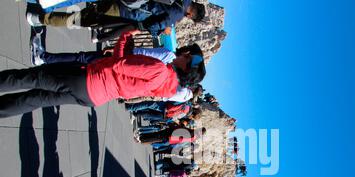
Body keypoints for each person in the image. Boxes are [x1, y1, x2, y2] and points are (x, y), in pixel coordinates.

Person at [0, 31, 202, 118]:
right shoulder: (165, 85)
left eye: (187, 57)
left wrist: (125, 36)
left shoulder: (160, 70)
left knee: (30, 78)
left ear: (186, 68)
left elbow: (119, 65)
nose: (184, 53)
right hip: (94, 97)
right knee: (36, 99)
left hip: (89, 79)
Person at [27, 0, 206, 37]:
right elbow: (150, 25)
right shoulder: (176, 15)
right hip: (124, 10)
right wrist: (161, 30)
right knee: (81, 19)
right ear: (191, 15)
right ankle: (39, 17)